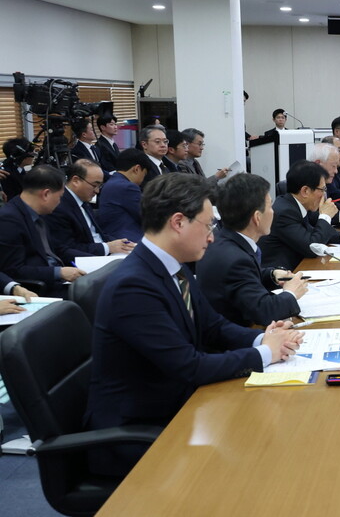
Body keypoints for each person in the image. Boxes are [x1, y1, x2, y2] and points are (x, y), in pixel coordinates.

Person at [85, 173, 304, 477]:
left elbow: (212, 326)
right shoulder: (133, 287)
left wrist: (264, 338)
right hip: (139, 431)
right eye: (208, 225)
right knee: (263, 457)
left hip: (178, 404)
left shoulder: (173, 266)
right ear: (178, 222)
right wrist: (266, 353)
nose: (212, 237)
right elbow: (189, 366)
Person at [198, 174, 305, 326]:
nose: (273, 212)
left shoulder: (225, 240)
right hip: (237, 335)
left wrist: (272, 275)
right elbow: (264, 311)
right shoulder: (235, 259)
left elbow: (244, 280)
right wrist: (291, 293)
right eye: (270, 206)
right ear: (257, 217)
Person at [257, 160, 340, 270]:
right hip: (283, 274)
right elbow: (313, 247)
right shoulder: (285, 213)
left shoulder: (298, 205)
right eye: (322, 189)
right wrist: (326, 216)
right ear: (305, 191)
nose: (324, 195)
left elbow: (313, 232)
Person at [0, 165, 86, 296]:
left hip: (59, 279)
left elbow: (58, 249)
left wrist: (96, 260)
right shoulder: (8, 220)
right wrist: (58, 272)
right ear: (46, 194)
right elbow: (13, 270)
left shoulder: (38, 213)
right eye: (60, 197)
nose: (59, 202)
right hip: (40, 289)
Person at [44, 159, 135, 263]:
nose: (97, 191)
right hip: (87, 261)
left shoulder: (83, 201)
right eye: (94, 185)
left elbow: (96, 235)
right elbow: (66, 249)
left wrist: (123, 244)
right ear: (76, 180)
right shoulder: (59, 206)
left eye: (100, 186)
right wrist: (107, 248)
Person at [98, 148, 152, 242]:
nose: (142, 180)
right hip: (128, 240)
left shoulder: (112, 182)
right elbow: (147, 216)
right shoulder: (128, 187)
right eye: (144, 174)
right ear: (137, 169)